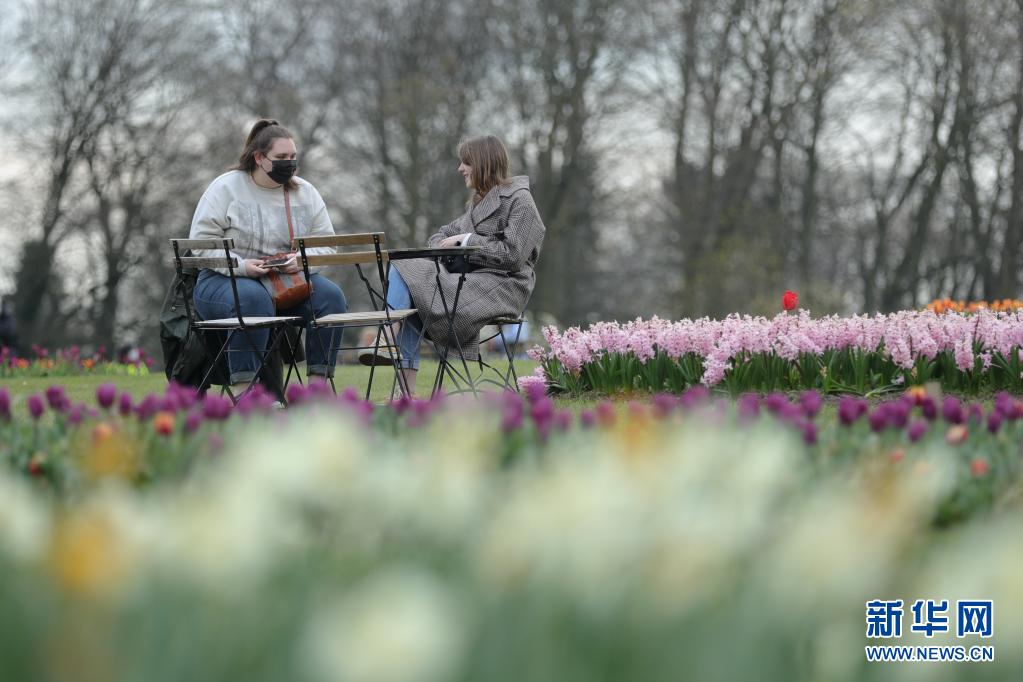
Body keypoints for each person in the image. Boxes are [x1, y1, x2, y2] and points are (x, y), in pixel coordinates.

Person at [360, 135, 545, 395]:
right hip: (469, 282)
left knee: (410, 278)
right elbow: (441, 234)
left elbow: (513, 255)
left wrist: (468, 240)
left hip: (504, 287)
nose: (460, 168)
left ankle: (388, 337)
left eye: (466, 162)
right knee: (412, 292)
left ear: (483, 163)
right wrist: (451, 244)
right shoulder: (479, 203)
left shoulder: (520, 201)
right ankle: (405, 393)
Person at [189, 119, 347, 393]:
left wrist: (301, 260)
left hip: (285, 281)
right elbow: (200, 245)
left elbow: (327, 245)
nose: (290, 163)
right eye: (281, 157)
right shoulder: (226, 188)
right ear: (259, 158)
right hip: (221, 281)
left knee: (331, 298)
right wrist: (241, 266)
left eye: (293, 157)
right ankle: (245, 392)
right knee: (252, 299)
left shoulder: (305, 192)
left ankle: (318, 391)